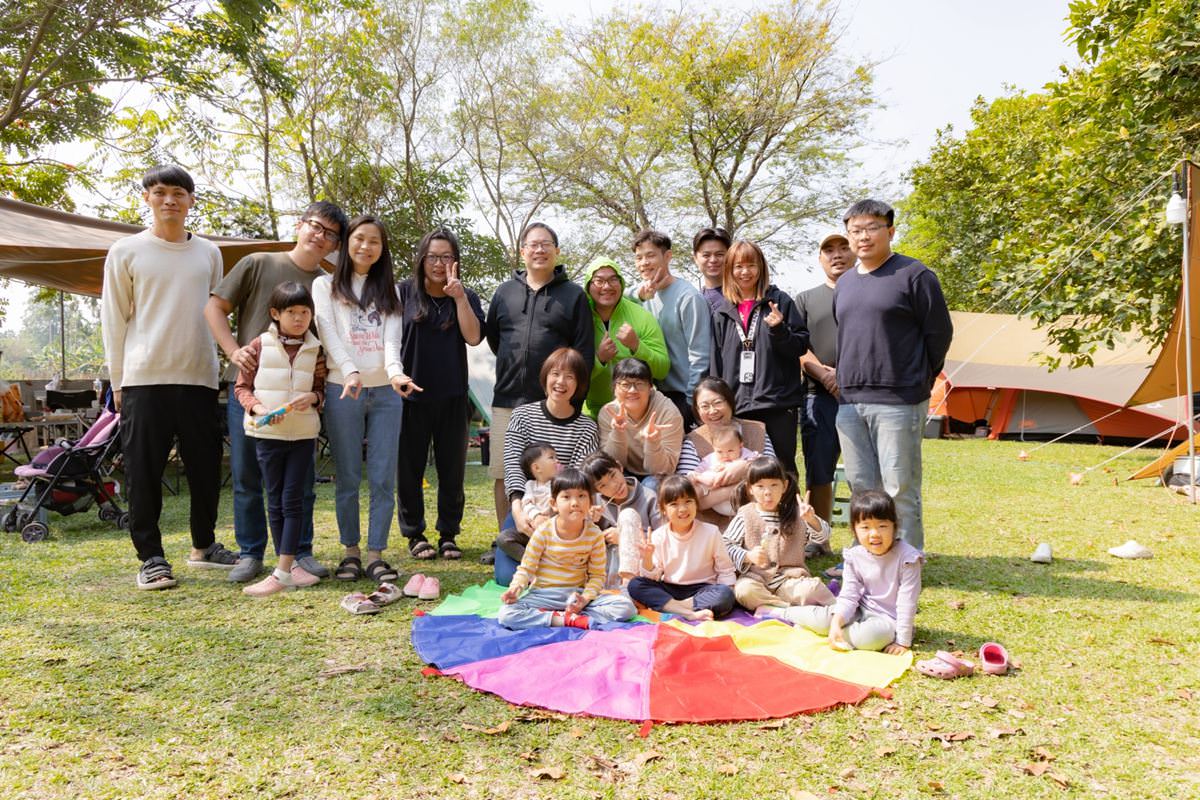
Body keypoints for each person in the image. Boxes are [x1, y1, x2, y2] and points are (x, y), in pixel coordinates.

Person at [101, 164, 236, 589]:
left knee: (205, 468)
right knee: (143, 472)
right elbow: (113, 318)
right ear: (146, 198)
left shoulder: (209, 253)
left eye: (178, 193)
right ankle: (151, 557)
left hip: (199, 376)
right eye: (159, 192)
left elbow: (215, 313)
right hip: (144, 378)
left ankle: (204, 545)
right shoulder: (126, 251)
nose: (169, 201)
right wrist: (118, 380)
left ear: (191, 200)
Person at [206, 200, 347, 583]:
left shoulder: (326, 283)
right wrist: (233, 352)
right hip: (253, 392)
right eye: (317, 227)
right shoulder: (258, 262)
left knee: (300, 482)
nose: (321, 237)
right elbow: (214, 308)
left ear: (336, 245)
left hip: (301, 398)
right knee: (248, 476)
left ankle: (300, 552)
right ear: (300, 224)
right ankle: (250, 553)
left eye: (331, 235)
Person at [833, 199, 953, 551]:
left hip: (899, 399)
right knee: (861, 487)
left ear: (890, 231)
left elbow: (939, 334)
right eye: (855, 230)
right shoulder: (845, 283)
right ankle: (868, 563)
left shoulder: (914, 275)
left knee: (899, 487)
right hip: (850, 401)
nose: (863, 237)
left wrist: (921, 378)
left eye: (871, 228)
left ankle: (907, 561)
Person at [313, 215, 420, 585]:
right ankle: (350, 552)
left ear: (382, 249)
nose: (366, 247)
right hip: (343, 389)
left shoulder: (390, 289)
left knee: (381, 477)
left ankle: (375, 554)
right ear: (347, 243)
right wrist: (349, 370)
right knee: (347, 476)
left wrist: (395, 372)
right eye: (360, 239)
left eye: (374, 241)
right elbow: (329, 333)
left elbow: (392, 340)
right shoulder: (324, 285)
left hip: (387, 393)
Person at [485, 222, 594, 531]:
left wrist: (572, 402)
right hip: (507, 399)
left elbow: (582, 353)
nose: (539, 250)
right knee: (505, 473)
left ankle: (554, 537)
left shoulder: (573, 296)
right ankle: (507, 535)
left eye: (546, 244)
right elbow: (495, 338)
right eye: (533, 244)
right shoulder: (504, 292)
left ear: (556, 251)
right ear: (522, 252)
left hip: (552, 405)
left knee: (551, 475)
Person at [395, 227, 485, 561]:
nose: (439, 263)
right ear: (421, 259)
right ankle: (414, 534)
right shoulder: (402, 293)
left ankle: (449, 533)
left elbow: (474, 338)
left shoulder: (466, 296)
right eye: (432, 256)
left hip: (452, 396)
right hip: (409, 398)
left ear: (456, 261)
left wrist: (459, 296)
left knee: (452, 471)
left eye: (446, 256)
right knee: (409, 470)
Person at [233, 283, 326, 596]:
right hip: (267, 434)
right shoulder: (258, 345)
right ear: (276, 314)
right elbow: (241, 388)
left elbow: (322, 388)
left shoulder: (316, 348)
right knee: (274, 499)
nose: (299, 318)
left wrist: (312, 397)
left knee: (293, 499)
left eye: (304, 312)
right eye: (292, 312)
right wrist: (259, 408)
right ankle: (287, 567)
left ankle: (285, 570)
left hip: (302, 434)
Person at [494, 347, 601, 586]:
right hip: (526, 505)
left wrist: (552, 518)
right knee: (505, 576)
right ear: (545, 377)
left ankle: (552, 567)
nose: (561, 382)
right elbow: (512, 466)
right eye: (555, 374)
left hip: (564, 513)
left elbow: (578, 478)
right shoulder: (522, 416)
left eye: (570, 376)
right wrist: (520, 513)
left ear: (579, 384)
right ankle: (540, 569)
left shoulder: (586, 428)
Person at [710, 239, 809, 478]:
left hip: (777, 404)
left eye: (751, 265)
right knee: (743, 474)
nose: (745, 272)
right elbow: (716, 361)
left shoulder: (780, 301)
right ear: (729, 271)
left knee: (781, 471)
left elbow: (800, 345)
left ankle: (788, 516)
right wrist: (718, 403)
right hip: (739, 407)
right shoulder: (723, 311)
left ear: (761, 267)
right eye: (738, 266)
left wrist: (779, 330)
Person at [781, 490, 921, 654]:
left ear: (894, 527)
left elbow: (907, 602)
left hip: (887, 620)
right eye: (865, 527)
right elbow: (849, 595)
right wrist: (835, 623)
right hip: (858, 609)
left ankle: (832, 635)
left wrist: (903, 641)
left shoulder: (908, 559)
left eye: (882, 526)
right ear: (854, 530)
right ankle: (778, 611)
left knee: (873, 636)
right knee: (826, 617)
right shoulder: (855, 556)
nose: (874, 534)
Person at [498, 469, 638, 630]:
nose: (575, 503)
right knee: (507, 614)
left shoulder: (594, 535)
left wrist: (584, 599)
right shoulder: (543, 532)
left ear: (590, 502)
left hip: (576, 595)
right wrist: (516, 588)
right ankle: (563, 620)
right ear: (554, 504)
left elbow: (597, 576)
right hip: (544, 594)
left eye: (581, 496)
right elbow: (526, 568)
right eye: (566, 497)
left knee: (626, 608)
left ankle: (571, 615)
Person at [722, 457, 834, 613]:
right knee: (744, 591)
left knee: (812, 589)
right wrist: (748, 556)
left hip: (789, 580)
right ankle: (786, 609)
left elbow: (823, 537)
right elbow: (726, 545)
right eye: (760, 486)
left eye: (774, 485)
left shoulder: (796, 515)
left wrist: (811, 520)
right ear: (750, 489)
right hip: (756, 579)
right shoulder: (746, 515)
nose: (768, 492)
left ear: (784, 486)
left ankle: (771, 608)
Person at [796, 231, 854, 527]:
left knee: (865, 471)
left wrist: (846, 377)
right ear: (820, 258)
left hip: (861, 393)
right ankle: (817, 536)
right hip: (817, 395)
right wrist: (826, 376)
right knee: (819, 469)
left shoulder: (866, 293)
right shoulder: (805, 299)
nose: (837, 254)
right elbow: (798, 348)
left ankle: (867, 535)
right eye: (828, 250)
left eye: (844, 247)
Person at [629, 230, 711, 430]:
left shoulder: (688, 297)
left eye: (650, 256)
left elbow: (700, 355)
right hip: (654, 396)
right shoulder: (641, 294)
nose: (644, 263)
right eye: (639, 258)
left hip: (684, 396)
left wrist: (692, 402)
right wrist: (639, 293)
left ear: (667, 256)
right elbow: (612, 296)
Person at [627, 475, 736, 621]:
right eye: (674, 504)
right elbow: (653, 577)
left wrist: (727, 597)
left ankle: (675, 608)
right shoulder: (658, 536)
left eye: (688, 501)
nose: (683, 509)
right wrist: (647, 558)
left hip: (702, 590)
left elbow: (725, 570)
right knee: (635, 584)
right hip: (671, 588)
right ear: (663, 509)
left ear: (696, 504)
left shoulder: (711, 532)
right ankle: (688, 613)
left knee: (725, 594)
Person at [675, 377, 776, 526]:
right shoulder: (693, 440)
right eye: (704, 406)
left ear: (730, 401)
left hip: (759, 521)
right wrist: (735, 487)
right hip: (709, 526)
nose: (712, 411)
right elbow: (687, 495)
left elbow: (774, 474)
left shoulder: (756, 430)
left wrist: (745, 467)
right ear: (697, 410)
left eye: (718, 403)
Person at [581, 256, 669, 418]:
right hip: (592, 414)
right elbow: (571, 374)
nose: (606, 286)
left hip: (639, 413)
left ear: (621, 283)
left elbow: (662, 369)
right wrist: (599, 359)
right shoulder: (579, 318)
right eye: (599, 281)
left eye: (613, 279)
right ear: (588, 285)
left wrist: (637, 346)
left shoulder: (642, 316)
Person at [597, 358, 683, 488]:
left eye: (639, 383)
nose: (632, 390)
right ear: (614, 388)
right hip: (624, 472)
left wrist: (653, 442)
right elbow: (612, 464)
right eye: (625, 384)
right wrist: (618, 432)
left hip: (657, 475)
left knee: (650, 485)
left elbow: (664, 470)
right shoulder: (608, 413)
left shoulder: (668, 412)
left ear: (650, 387)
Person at [580, 450, 661, 587]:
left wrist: (626, 537)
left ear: (619, 467)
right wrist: (588, 522)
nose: (613, 486)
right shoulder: (594, 503)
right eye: (603, 485)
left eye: (613, 475)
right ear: (596, 490)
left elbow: (663, 536)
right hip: (605, 569)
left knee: (627, 515)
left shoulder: (649, 497)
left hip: (643, 566)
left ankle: (628, 585)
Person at [495, 443, 558, 565]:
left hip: (555, 530)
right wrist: (536, 516)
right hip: (532, 528)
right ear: (536, 467)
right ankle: (532, 563)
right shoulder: (530, 485)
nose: (557, 461)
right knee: (503, 538)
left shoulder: (560, 482)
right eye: (552, 457)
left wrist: (550, 513)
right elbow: (527, 503)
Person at [689, 426, 758, 516]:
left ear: (740, 446)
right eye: (720, 452)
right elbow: (698, 470)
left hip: (741, 500)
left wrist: (744, 463)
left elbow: (758, 461)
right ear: (714, 448)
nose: (725, 455)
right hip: (716, 500)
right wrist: (696, 476)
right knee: (701, 478)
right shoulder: (711, 458)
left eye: (730, 451)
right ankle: (694, 494)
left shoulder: (746, 455)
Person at [693, 227, 731, 312]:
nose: (713, 260)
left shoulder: (743, 295)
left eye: (719, 254)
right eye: (706, 255)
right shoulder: (694, 301)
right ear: (695, 258)